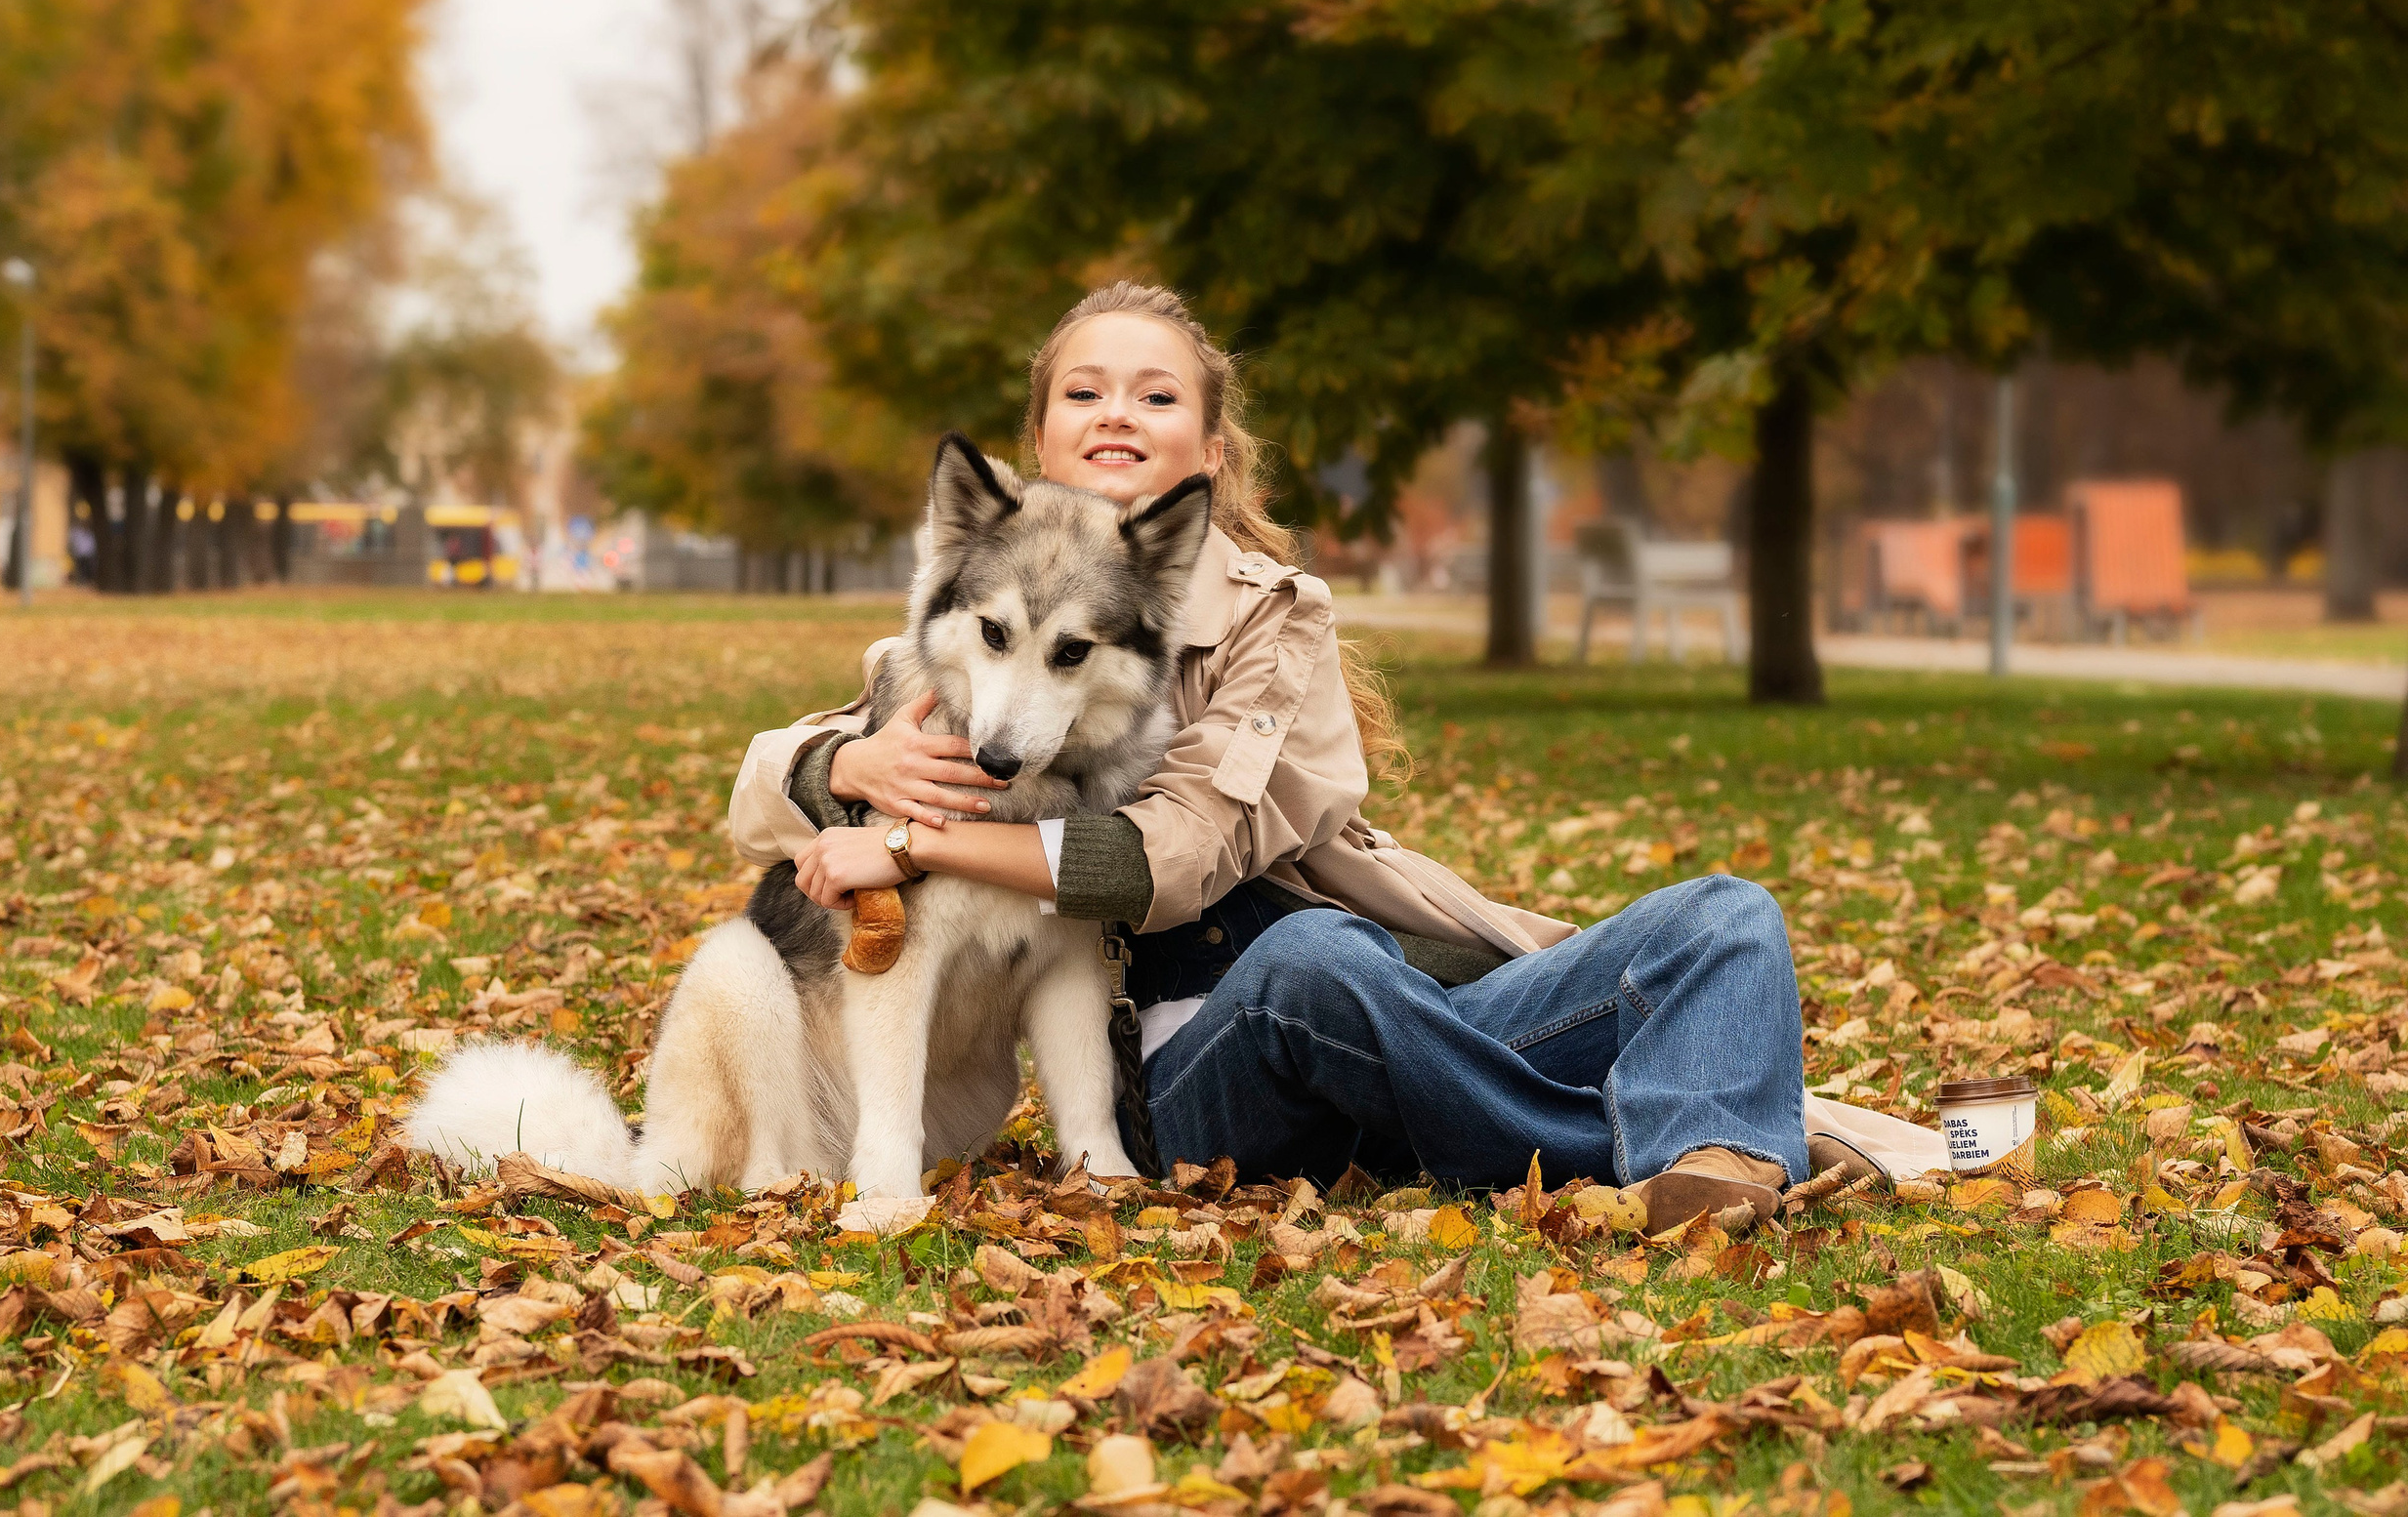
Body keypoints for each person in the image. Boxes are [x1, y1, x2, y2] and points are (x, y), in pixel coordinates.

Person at [729, 282, 1922, 1228]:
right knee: (1315, 964)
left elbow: (1174, 857)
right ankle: (1652, 1135)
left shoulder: (1273, 617)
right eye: (1083, 392)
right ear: (1039, 437)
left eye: (1155, 396)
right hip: (1190, 1068)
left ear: (1209, 446)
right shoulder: (984, 615)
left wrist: (914, 842)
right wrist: (843, 772)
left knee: (1721, 917)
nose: (1115, 414)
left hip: (1373, 987)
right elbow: (779, 783)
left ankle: (1711, 1161)